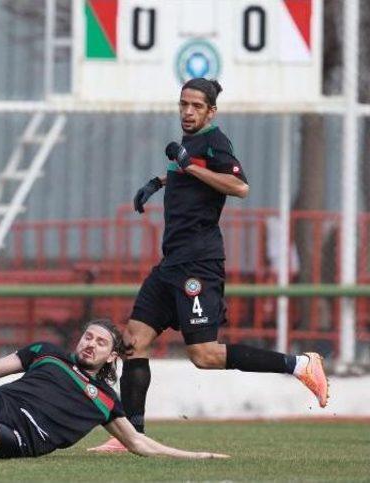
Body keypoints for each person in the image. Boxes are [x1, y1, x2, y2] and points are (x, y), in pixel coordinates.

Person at [89, 78, 329, 453]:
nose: (187, 111)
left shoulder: (215, 141)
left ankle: (299, 364)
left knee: (204, 356)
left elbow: (239, 187)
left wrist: (189, 166)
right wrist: (161, 180)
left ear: (211, 111)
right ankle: (132, 437)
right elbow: (194, 177)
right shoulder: (192, 144)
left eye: (196, 106)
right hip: (172, 263)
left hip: (198, 264)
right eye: (183, 104)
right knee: (134, 342)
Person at [0, 319, 227, 460]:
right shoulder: (48, 353)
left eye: (100, 342)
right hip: (4, 400)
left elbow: (139, 444)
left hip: (27, 434)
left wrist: (197, 457)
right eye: (88, 336)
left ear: (111, 355)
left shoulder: (105, 401)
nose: (90, 344)